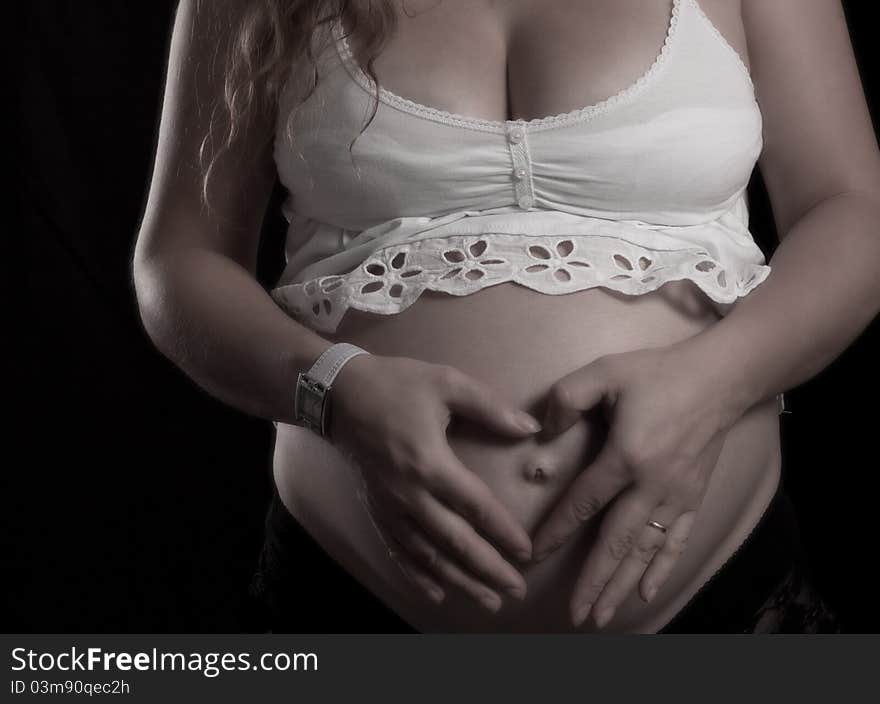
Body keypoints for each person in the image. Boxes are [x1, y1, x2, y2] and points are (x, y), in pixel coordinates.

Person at [134, 0, 879, 632]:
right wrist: (335, 394)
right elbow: (178, 263)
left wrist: (713, 385)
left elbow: (853, 211)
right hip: (350, 591)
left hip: (721, 593)